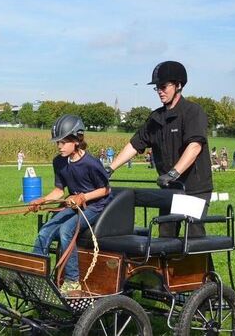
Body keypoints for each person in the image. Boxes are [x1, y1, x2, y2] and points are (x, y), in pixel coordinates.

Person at [106, 60, 213, 237]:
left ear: (178, 85)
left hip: (194, 189)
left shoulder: (193, 112)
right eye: (157, 87)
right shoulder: (156, 118)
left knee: (193, 238)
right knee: (165, 237)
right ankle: (167, 266)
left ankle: (204, 267)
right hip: (170, 190)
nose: (160, 92)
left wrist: (173, 173)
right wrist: (110, 168)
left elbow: (194, 147)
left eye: (163, 86)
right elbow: (135, 144)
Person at [28, 114, 112, 296]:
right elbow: (59, 190)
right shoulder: (58, 162)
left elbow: (105, 190)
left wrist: (83, 197)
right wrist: (41, 200)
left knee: (66, 230)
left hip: (95, 208)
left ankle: (73, 282)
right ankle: (35, 274)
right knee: (45, 232)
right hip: (73, 206)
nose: (59, 146)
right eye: (57, 142)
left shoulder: (91, 163)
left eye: (63, 142)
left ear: (77, 140)